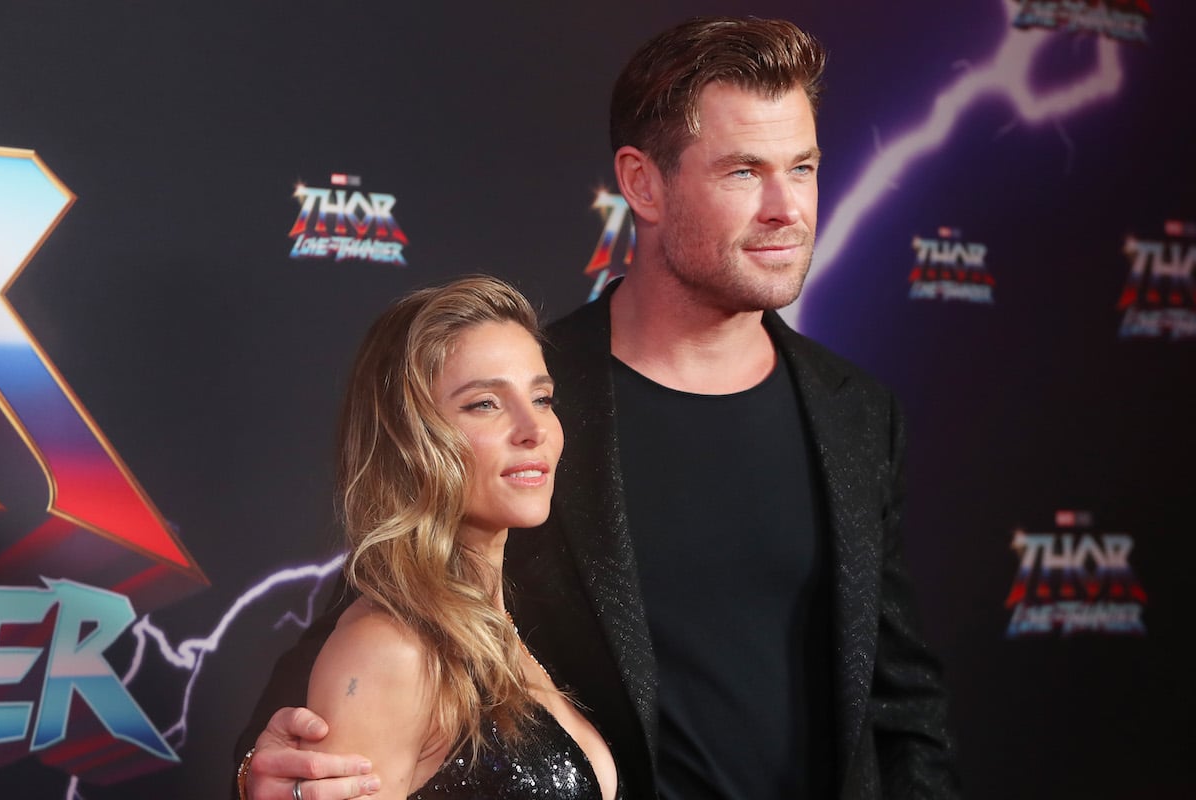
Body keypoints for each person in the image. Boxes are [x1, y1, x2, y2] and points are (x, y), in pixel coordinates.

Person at [234, 16, 960, 800]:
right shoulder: (535, 403)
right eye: (744, 172)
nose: (787, 207)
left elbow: (900, 701)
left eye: (803, 167)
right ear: (643, 184)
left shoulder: (858, 414)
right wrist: (261, 766)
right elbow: (377, 617)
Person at [274, 276, 617, 800]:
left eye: (542, 398)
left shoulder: (505, 629)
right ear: (408, 438)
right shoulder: (391, 651)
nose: (534, 429)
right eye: (485, 404)